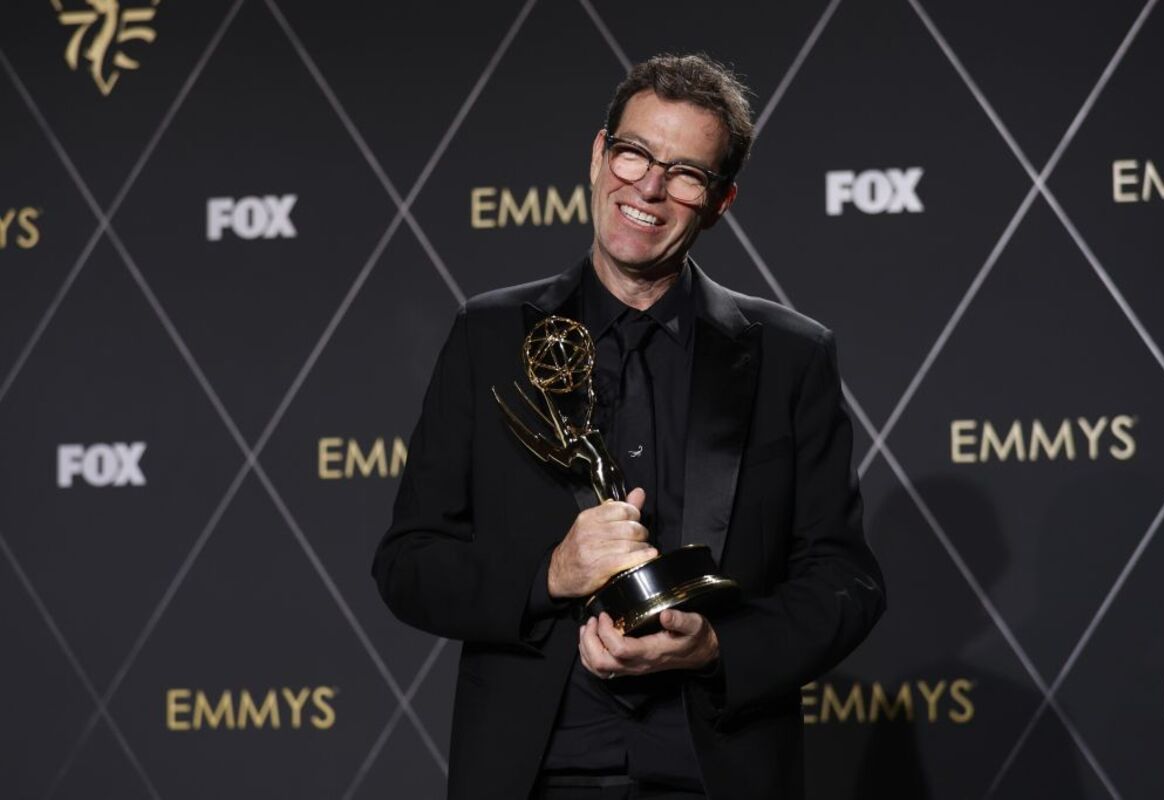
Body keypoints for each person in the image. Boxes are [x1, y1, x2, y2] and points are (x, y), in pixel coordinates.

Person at [373, 53, 885, 800]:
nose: (647, 186)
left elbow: (846, 581)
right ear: (597, 154)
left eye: (684, 172)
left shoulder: (790, 356)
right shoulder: (490, 340)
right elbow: (408, 564)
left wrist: (716, 646)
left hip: (718, 773)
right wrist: (549, 574)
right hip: (535, 777)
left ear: (720, 201)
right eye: (634, 152)